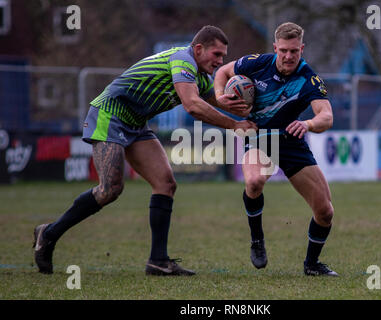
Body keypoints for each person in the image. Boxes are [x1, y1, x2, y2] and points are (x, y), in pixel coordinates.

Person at [33, 25, 257, 276]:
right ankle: (49, 234)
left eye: (223, 57)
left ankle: (158, 261)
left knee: (166, 183)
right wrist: (235, 125)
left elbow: (217, 103)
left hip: (136, 123)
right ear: (198, 49)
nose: (220, 61)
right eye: (217, 54)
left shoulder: (200, 78)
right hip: (110, 114)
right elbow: (193, 106)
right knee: (111, 189)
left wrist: (251, 109)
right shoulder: (182, 60)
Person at [214, 22, 338, 276]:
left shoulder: (308, 79)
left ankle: (312, 265)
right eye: (284, 50)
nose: (289, 56)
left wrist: (308, 123)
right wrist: (219, 96)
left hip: (291, 140)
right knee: (255, 181)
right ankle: (257, 240)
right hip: (260, 137)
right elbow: (222, 73)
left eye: (294, 51)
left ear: (302, 48)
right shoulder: (256, 63)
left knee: (325, 212)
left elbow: (326, 116)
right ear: (275, 48)